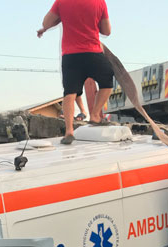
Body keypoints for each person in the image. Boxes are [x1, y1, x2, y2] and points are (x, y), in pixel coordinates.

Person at [37, 0, 114, 144]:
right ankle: (95, 115)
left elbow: (46, 22)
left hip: (70, 56)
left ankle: (69, 131)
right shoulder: (99, 2)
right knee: (107, 81)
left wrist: (57, 21)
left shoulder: (61, 1)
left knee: (70, 93)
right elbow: (106, 31)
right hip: (92, 52)